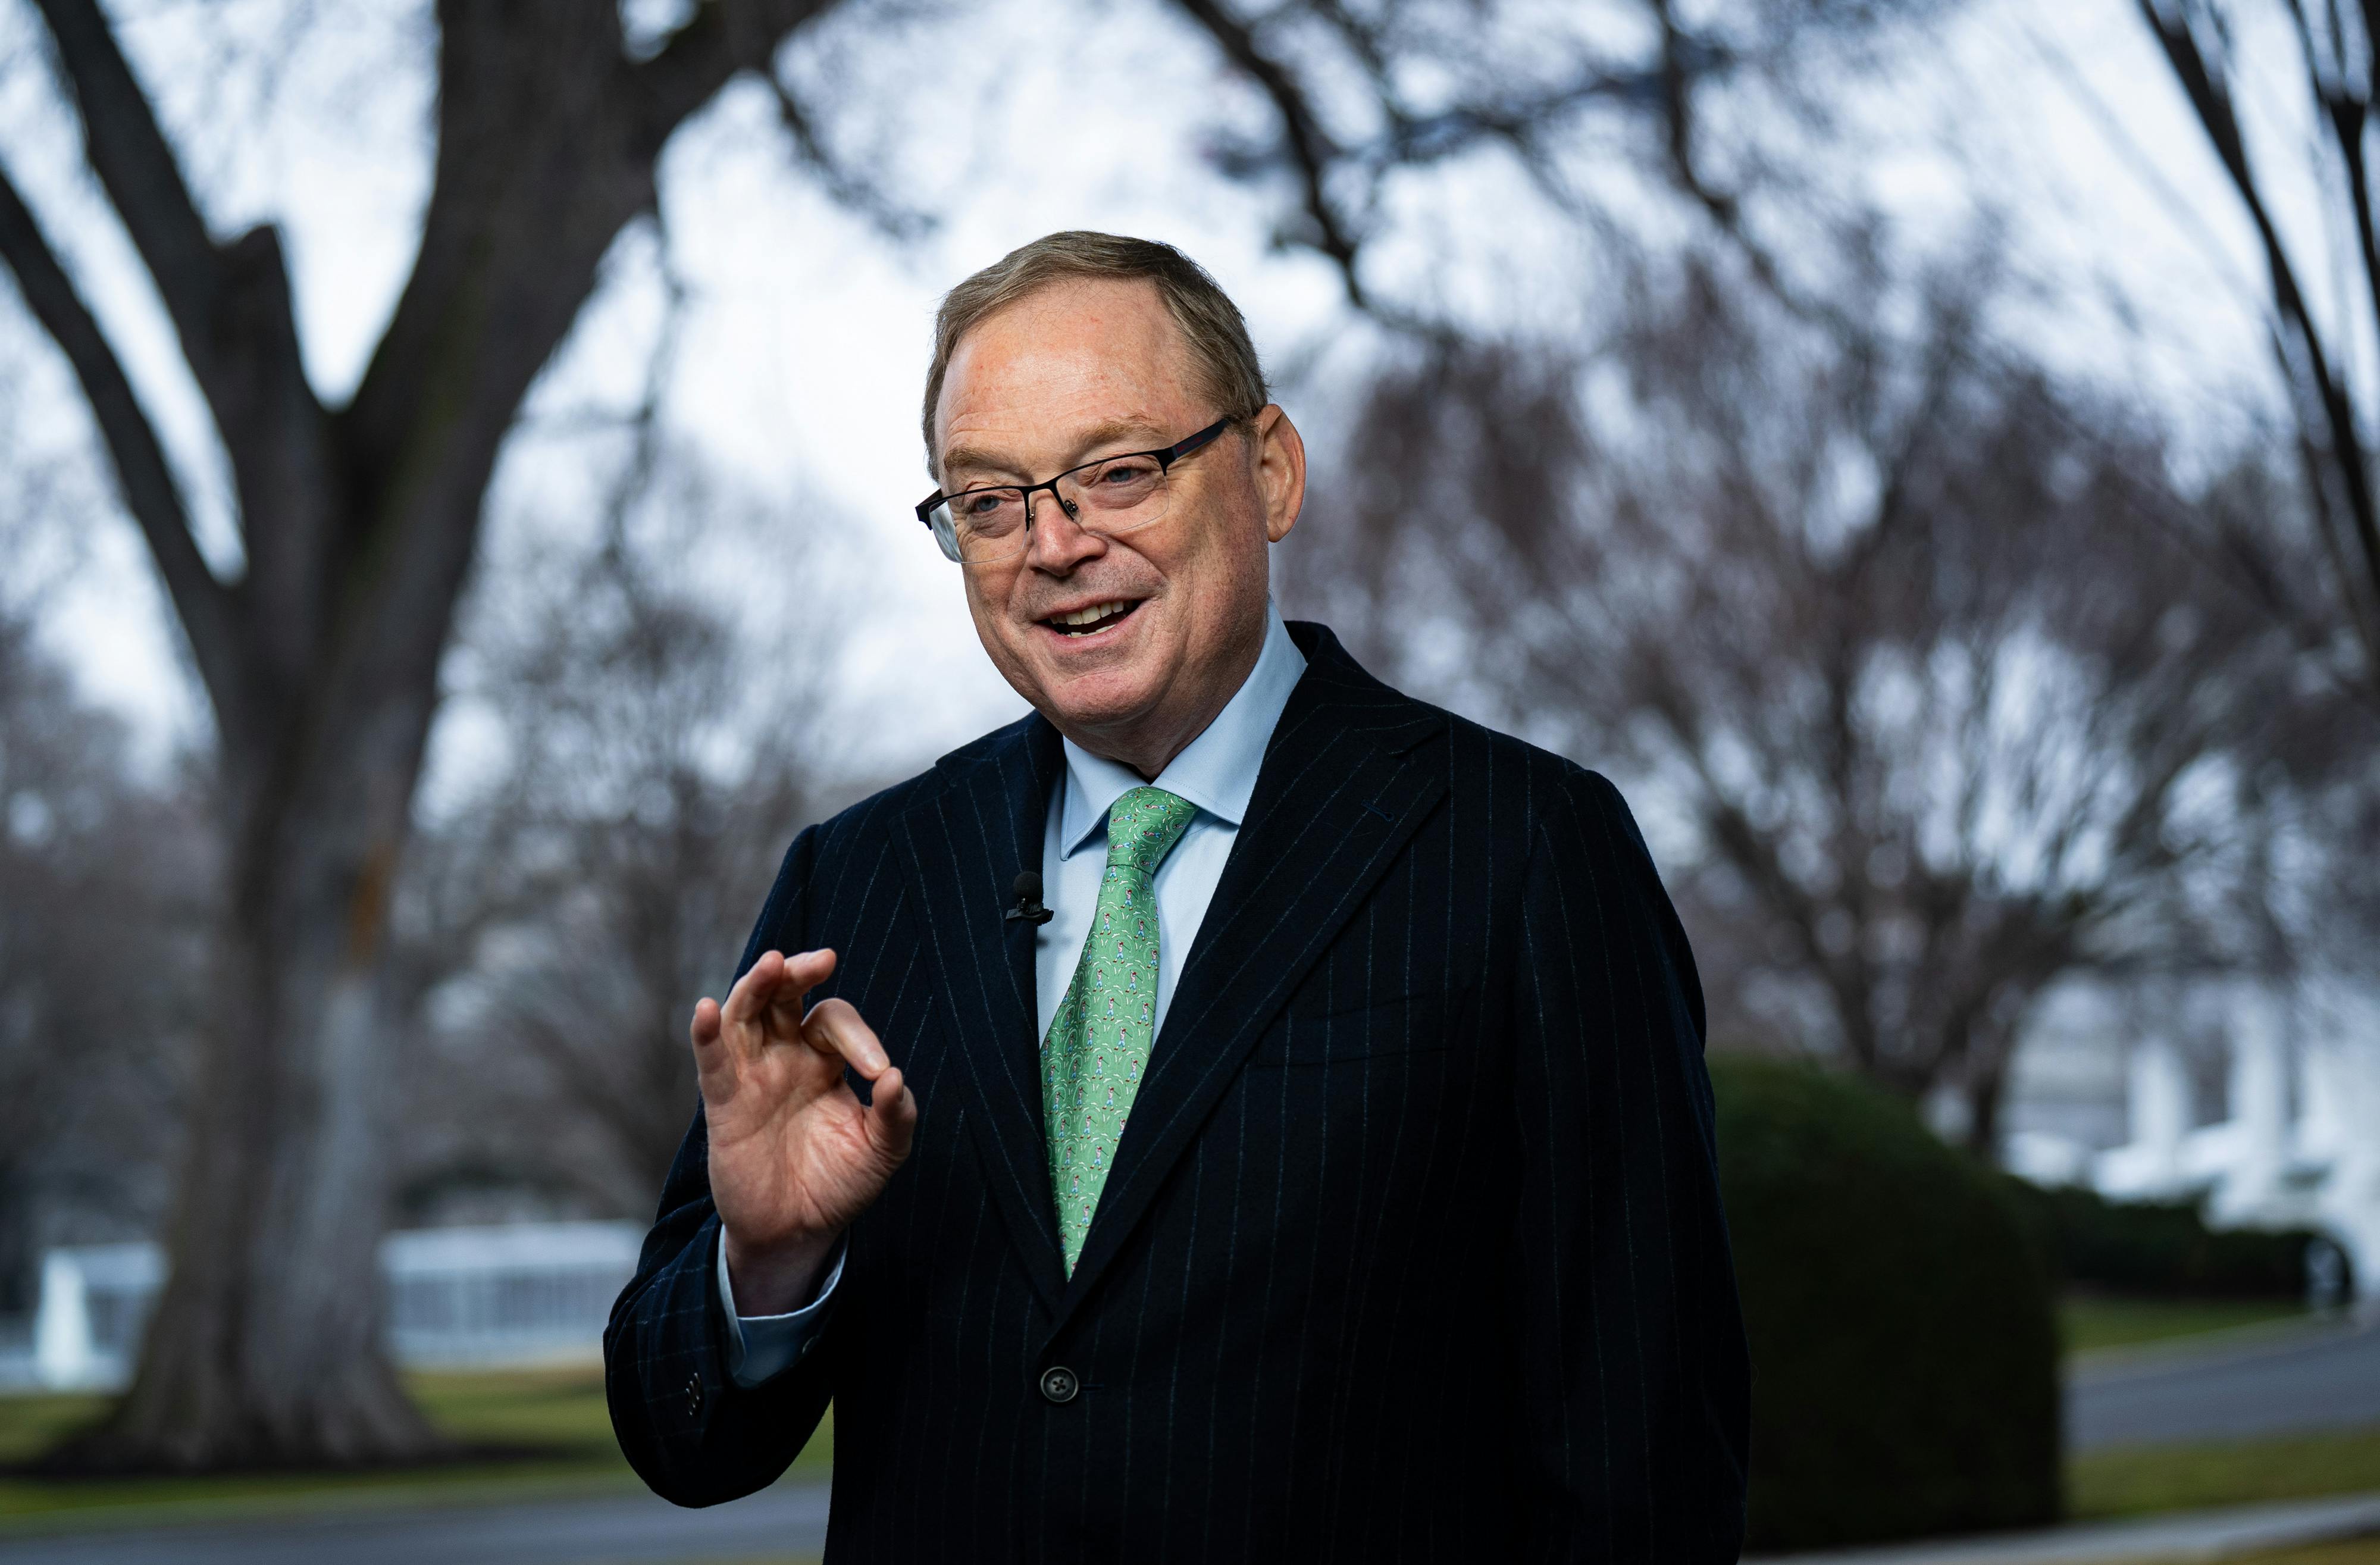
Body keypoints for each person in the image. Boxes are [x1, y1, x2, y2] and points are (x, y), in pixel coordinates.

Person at [604, 231, 1749, 1560]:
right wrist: (770, 1267)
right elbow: (683, 1440)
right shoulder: (860, 878)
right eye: (988, 500)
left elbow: (1643, 1455)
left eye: (1118, 472)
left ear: (1269, 470)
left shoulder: (1525, 852)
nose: (1054, 545)